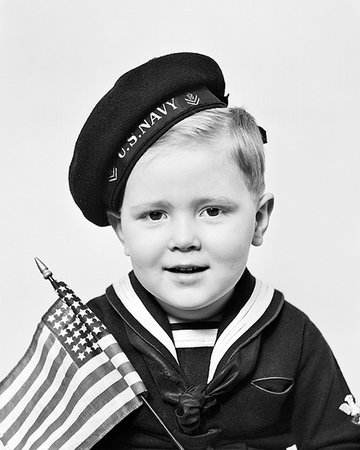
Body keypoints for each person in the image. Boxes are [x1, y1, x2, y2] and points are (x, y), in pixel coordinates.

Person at [69, 53, 360, 449]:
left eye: (212, 210)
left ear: (258, 219)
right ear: (122, 229)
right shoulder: (91, 336)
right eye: (155, 215)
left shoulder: (294, 337)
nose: (184, 238)